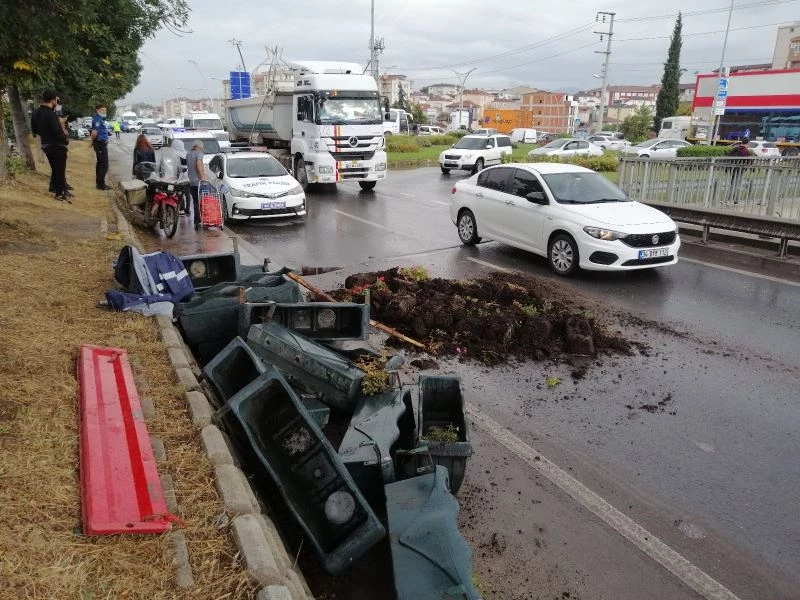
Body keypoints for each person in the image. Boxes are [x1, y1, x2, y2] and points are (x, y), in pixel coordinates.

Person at [31, 90, 71, 202]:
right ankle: (59, 194)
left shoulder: (35, 112)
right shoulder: (51, 114)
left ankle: (59, 190)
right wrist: (66, 139)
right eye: (56, 101)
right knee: (60, 170)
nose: (57, 103)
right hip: (57, 146)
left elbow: (34, 130)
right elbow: (58, 132)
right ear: (53, 100)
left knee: (55, 169)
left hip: (46, 145)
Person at [90, 103, 112, 190]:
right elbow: (94, 133)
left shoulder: (100, 119)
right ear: (97, 110)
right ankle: (101, 185)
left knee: (100, 164)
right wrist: (91, 142)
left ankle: (99, 184)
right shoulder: (98, 120)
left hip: (100, 144)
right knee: (104, 165)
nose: (104, 111)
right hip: (100, 144)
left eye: (105, 110)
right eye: (102, 110)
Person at [185, 140, 206, 230]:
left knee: (195, 201)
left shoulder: (188, 154)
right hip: (198, 181)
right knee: (200, 201)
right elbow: (198, 165)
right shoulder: (199, 153)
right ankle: (199, 219)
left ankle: (196, 220)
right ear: (200, 147)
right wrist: (203, 178)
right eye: (202, 148)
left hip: (191, 181)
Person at [725, 136, 751, 205]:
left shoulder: (735, 149)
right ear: (748, 143)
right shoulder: (746, 151)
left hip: (733, 169)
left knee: (733, 184)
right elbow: (748, 162)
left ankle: (728, 199)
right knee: (737, 185)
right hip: (740, 170)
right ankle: (734, 200)